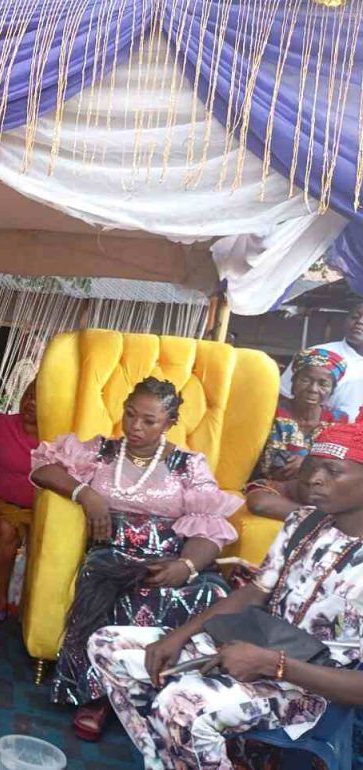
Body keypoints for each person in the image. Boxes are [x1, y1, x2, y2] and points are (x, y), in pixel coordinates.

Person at [88, 420, 363, 770]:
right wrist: (179, 636)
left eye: (333, 471)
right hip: (255, 644)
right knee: (108, 646)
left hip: (310, 688)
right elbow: (253, 593)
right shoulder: (304, 522)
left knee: (179, 706)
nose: (314, 479)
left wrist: (271, 664)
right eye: (312, 467)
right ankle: (164, 760)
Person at [29, 377, 241, 741]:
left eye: (149, 420)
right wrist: (87, 495)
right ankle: (98, 696)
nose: (135, 427)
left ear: (169, 423)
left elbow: (209, 527)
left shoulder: (187, 465)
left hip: (168, 559)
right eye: (129, 415)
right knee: (113, 587)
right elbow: (42, 469)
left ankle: (168, 696)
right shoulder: (101, 451)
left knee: (211, 597)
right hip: (111, 555)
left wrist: (185, 566)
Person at [247, 348, 348, 523]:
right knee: (259, 503)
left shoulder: (339, 421)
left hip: (317, 492)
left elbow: (343, 465)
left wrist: (308, 462)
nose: (313, 389)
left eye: (323, 384)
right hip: (274, 487)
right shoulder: (270, 411)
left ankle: (315, 518)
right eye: (306, 380)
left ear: (331, 390)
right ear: (293, 383)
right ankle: (319, 520)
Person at [0, 381, 39, 626]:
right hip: (2, 504)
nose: (31, 402)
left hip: (42, 510)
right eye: (28, 395)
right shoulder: (0, 424)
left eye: (40, 398)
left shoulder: (60, 436)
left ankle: (30, 609)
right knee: (5, 529)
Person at [279, 300, 363, 418]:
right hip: (319, 432)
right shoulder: (315, 355)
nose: (360, 322)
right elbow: (284, 397)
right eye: (355, 317)